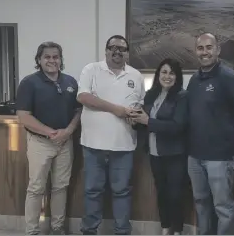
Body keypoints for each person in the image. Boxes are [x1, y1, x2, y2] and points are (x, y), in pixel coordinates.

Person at [186, 33, 234, 235]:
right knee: (201, 203)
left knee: (223, 207)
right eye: (200, 48)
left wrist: (228, 131)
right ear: (196, 51)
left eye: (209, 47)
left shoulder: (229, 77)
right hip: (195, 155)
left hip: (220, 156)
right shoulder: (194, 79)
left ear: (217, 50)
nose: (205, 52)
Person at [77, 35, 145, 235]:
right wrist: (116, 109)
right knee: (92, 191)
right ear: (106, 50)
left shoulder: (136, 75)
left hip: (124, 146)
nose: (117, 51)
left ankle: (122, 232)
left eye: (122, 48)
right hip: (93, 145)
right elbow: (83, 97)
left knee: (122, 192)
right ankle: (89, 231)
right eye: (112, 47)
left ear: (127, 53)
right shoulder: (91, 69)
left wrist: (135, 115)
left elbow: (139, 104)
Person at [16, 42, 82, 235]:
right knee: (36, 188)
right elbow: (23, 116)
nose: (52, 60)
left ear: (61, 60)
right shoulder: (29, 83)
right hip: (40, 143)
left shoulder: (70, 82)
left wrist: (68, 131)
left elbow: (78, 111)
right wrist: (50, 132)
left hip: (65, 142)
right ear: (39, 60)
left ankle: (57, 228)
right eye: (47, 57)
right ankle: (32, 231)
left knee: (61, 187)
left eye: (56, 57)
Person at [128, 58, 188, 235]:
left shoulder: (182, 96)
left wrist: (148, 121)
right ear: (158, 74)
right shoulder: (151, 94)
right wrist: (134, 121)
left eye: (171, 73)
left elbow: (178, 126)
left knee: (175, 195)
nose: (167, 76)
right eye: (164, 72)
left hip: (175, 154)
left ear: (177, 76)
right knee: (161, 193)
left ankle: (177, 231)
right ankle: (165, 228)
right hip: (154, 154)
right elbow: (144, 122)